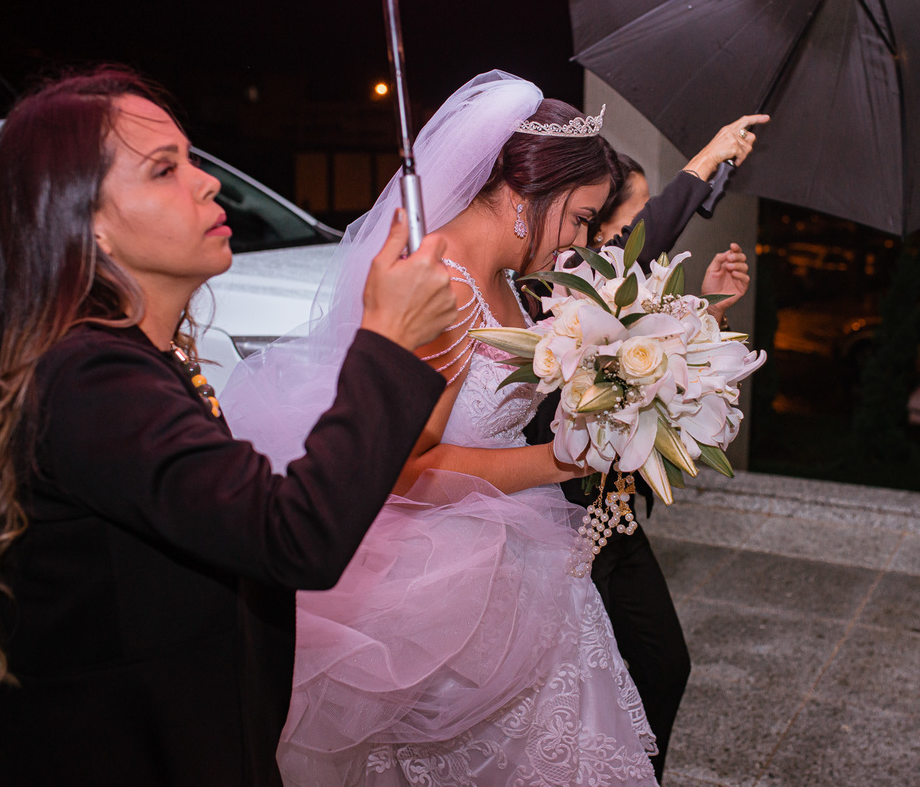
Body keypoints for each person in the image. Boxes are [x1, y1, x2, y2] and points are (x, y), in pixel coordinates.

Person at [0, 68, 457, 786]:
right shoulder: (88, 378)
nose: (208, 184)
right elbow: (293, 534)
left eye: (192, 160)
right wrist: (385, 340)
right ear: (88, 221)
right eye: (163, 170)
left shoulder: (146, 355)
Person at [223, 71, 658, 787]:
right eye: (578, 219)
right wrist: (560, 461)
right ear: (526, 199)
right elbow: (404, 468)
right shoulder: (446, 288)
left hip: (511, 547)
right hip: (433, 576)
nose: (581, 241)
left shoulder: (509, 280)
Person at [526, 115, 765, 780]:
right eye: (619, 219)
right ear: (599, 228)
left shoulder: (612, 295)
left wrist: (710, 309)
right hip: (555, 528)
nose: (637, 236)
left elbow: (651, 359)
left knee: (665, 663)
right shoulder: (554, 293)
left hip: (616, 523)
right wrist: (708, 158)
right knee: (565, 694)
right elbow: (645, 241)